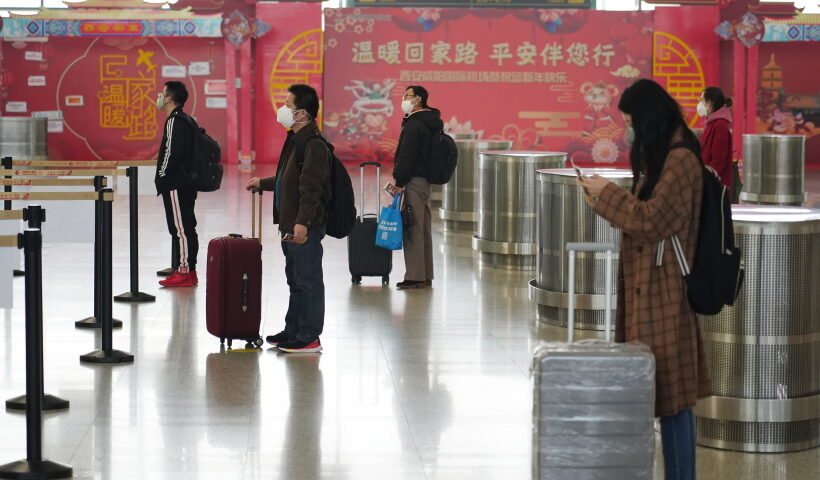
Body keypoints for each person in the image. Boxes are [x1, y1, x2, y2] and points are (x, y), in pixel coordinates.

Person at [578, 79, 712, 480]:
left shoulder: (681, 159)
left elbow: (651, 221)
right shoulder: (662, 155)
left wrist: (606, 195)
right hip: (649, 289)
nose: (628, 131)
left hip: (665, 292)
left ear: (649, 119)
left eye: (631, 122)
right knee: (664, 396)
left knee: (672, 400)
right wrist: (606, 196)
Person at [246, 84, 329, 353]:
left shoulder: (314, 144)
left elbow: (311, 188)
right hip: (289, 222)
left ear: (303, 113)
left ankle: (310, 335)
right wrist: (264, 182)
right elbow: (288, 180)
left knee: (308, 279)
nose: (282, 109)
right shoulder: (295, 140)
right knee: (294, 279)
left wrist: (302, 222)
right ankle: (293, 328)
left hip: (302, 224)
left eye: (288, 104)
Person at [391, 85, 442, 290]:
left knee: (412, 228)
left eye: (407, 95)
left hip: (413, 180)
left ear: (418, 99)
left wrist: (399, 182)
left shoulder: (415, 124)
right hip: (424, 181)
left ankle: (414, 276)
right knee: (422, 227)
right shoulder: (430, 122)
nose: (404, 99)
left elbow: (407, 156)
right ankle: (425, 274)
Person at [155, 81, 199, 287]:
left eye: (162, 93)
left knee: (180, 229)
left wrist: (163, 176)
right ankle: (189, 270)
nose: (160, 97)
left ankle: (184, 272)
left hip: (175, 183)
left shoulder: (174, 121)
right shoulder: (188, 120)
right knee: (187, 227)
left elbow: (171, 153)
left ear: (170, 99)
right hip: (186, 183)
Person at [697, 87, 733, 193]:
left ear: (709, 103)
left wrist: (707, 179)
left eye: (701, 100)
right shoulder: (710, 123)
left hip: (715, 184)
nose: (699, 104)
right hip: (708, 182)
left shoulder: (720, 125)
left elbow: (718, 159)